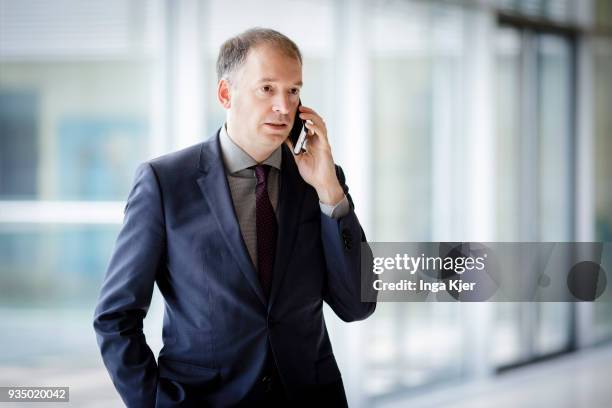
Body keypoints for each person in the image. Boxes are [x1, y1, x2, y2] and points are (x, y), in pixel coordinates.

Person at [93, 27, 376, 407]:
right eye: (267, 89)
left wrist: (330, 192)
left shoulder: (321, 179)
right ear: (227, 93)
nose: (284, 105)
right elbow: (115, 318)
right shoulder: (166, 183)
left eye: (293, 90)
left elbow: (358, 305)